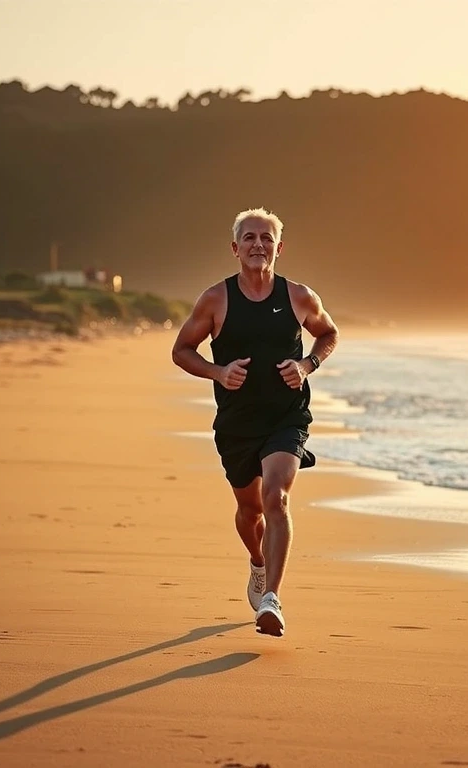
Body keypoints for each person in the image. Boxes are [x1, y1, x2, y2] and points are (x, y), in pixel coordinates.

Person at [171, 207, 339, 637]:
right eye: (249, 238)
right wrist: (217, 372)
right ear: (235, 247)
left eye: (266, 238)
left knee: (276, 497)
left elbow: (328, 333)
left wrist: (307, 364)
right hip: (237, 423)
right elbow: (182, 350)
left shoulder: (299, 296)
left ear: (278, 248)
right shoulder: (216, 299)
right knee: (249, 513)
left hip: (287, 416)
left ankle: (272, 600)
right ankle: (258, 563)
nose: (257, 245)